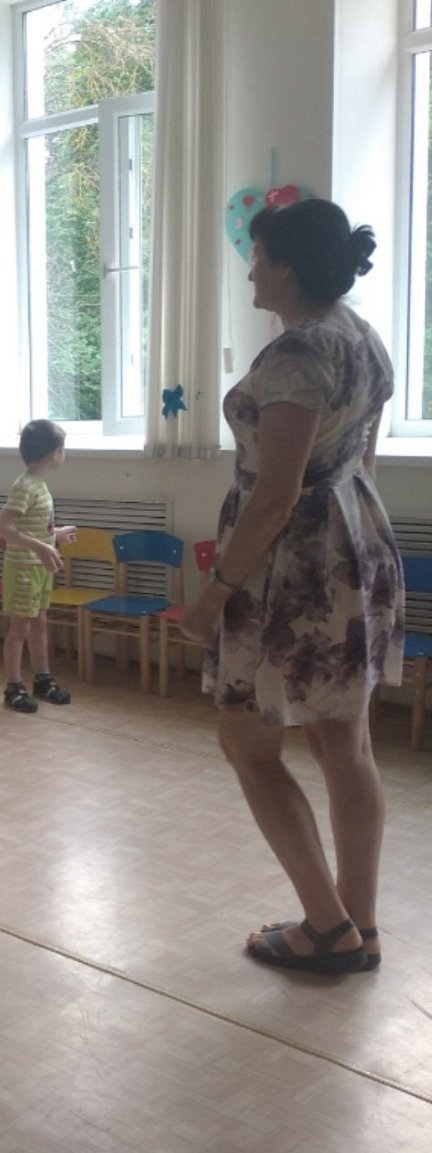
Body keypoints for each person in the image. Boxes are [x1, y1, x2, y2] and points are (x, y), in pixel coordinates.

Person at [179, 198, 403, 976]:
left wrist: (214, 595)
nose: (250, 270)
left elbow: (275, 493)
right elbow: (361, 459)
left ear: (288, 268)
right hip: (353, 540)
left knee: (245, 743)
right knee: (347, 744)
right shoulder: (361, 335)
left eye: (258, 256)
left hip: (292, 566)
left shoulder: (300, 354)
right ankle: (357, 924)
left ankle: (327, 926)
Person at [0, 420, 78, 714]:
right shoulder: (24, 487)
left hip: (40, 568)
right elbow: (2, 527)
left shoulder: (39, 486)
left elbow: (34, 527)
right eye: (63, 450)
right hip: (23, 569)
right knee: (19, 629)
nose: (63, 455)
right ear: (55, 453)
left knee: (39, 624)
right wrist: (41, 547)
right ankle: (13, 686)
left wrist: (57, 534)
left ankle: (43, 678)